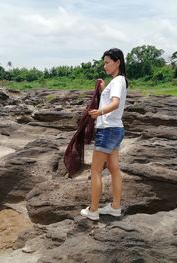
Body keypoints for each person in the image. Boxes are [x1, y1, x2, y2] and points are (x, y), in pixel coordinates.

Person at [80, 48, 128, 220]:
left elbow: (114, 104)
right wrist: (103, 90)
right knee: (114, 169)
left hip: (107, 129)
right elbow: (112, 100)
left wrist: (98, 113)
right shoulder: (119, 81)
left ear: (117, 62)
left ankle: (93, 210)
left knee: (96, 171)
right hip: (116, 129)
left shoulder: (117, 81)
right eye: (104, 62)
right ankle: (115, 207)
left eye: (107, 62)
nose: (105, 65)